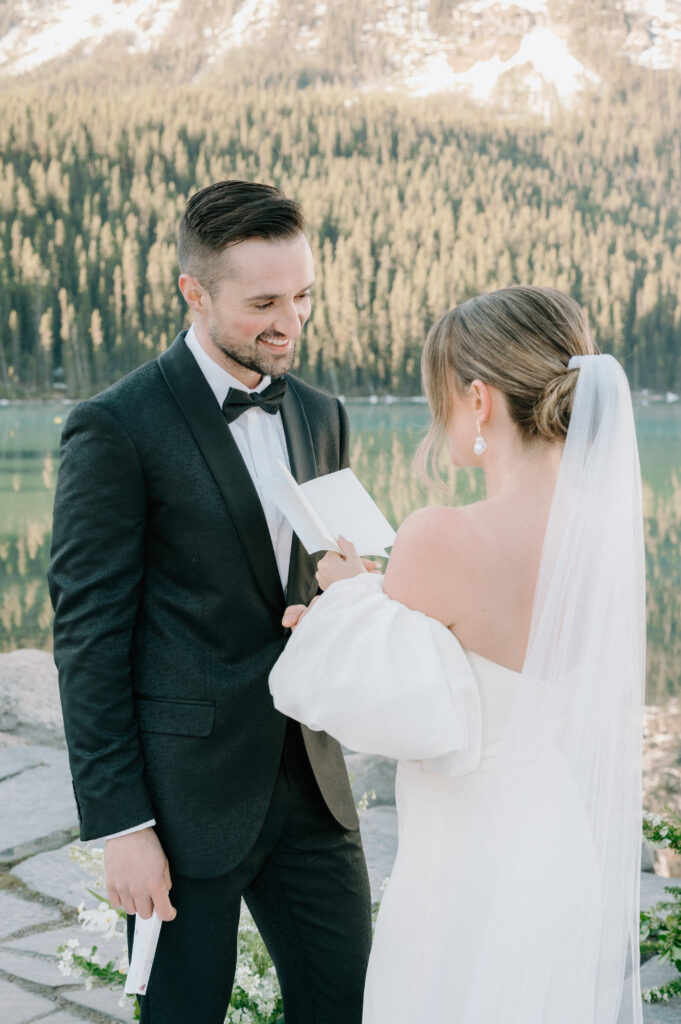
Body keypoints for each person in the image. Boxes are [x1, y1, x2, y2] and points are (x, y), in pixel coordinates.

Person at [270, 285, 646, 1023]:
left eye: (439, 394)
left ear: (478, 399)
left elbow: (384, 707)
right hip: (559, 843)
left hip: (467, 852)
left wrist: (345, 599)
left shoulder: (442, 534)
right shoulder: (602, 537)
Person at [48, 179, 372, 1024]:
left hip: (312, 783)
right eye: (263, 301)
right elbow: (88, 638)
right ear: (193, 291)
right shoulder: (115, 426)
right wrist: (121, 826)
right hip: (182, 801)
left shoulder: (321, 414)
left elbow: (317, 590)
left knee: (344, 1003)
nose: (290, 321)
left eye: (303, 296)